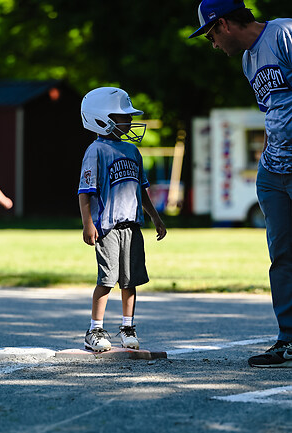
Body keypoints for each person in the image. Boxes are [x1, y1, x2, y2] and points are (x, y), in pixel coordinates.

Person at [189, 0, 292, 367]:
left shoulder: (283, 33)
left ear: (224, 25)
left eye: (211, 35)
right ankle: (288, 340)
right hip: (274, 170)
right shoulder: (249, 62)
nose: (213, 44)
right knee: (282, 257)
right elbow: (274, 112)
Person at [78, 87, 167, 352]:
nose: (128, 122)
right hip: (108, 228)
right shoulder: (96, 151)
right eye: (122, 117)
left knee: (131, 281)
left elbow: (142, 191)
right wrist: (87, 223)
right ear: (101, 118)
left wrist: (156, 218)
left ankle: (127, 328)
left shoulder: (132, 151)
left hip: (133, 226)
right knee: (106, 280)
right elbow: (85, 191)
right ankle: (94, 330)